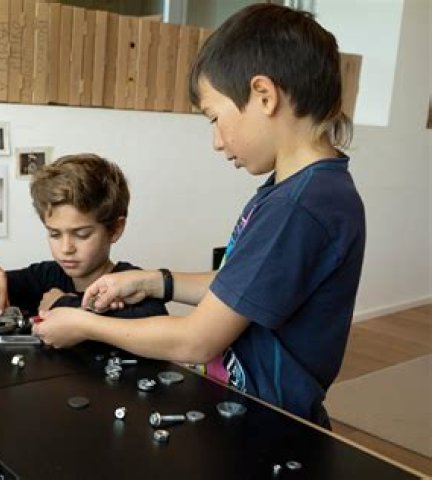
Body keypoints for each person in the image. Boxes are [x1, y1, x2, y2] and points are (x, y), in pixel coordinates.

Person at [31, 4, 366, 427]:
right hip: (239, 405)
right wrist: (154, 281)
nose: (216, 141)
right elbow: (243, 285)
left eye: (214, 118)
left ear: (264, 95)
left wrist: (83, 325)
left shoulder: (300, 206)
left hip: (268, 424)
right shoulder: (298, 191)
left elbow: (195, 341)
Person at [0, 154, 168, 319]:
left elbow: (155, 326)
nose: (66, 248)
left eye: (82, 235)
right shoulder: (44, 277)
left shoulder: (133, 284)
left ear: (115, 229)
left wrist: (62, 304)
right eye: (54, 234)